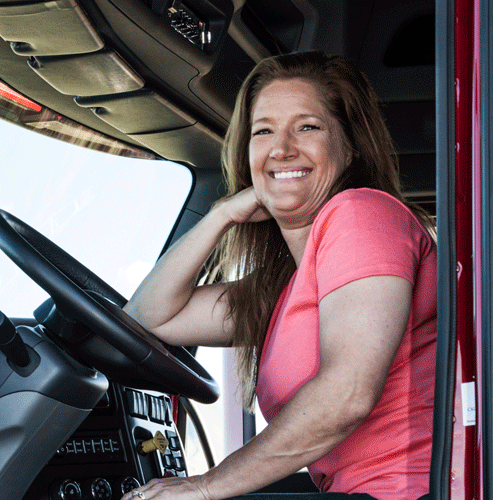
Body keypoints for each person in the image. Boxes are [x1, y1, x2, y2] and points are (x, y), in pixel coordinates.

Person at [121, 52, 437, 500]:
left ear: (351, 146)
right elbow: (147, 318)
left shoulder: (361, 214)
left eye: (307, 127)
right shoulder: (285, 288)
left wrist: (206, 487)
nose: (282, 148)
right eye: (263, 131)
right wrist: (221, 214)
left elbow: (348, 393)